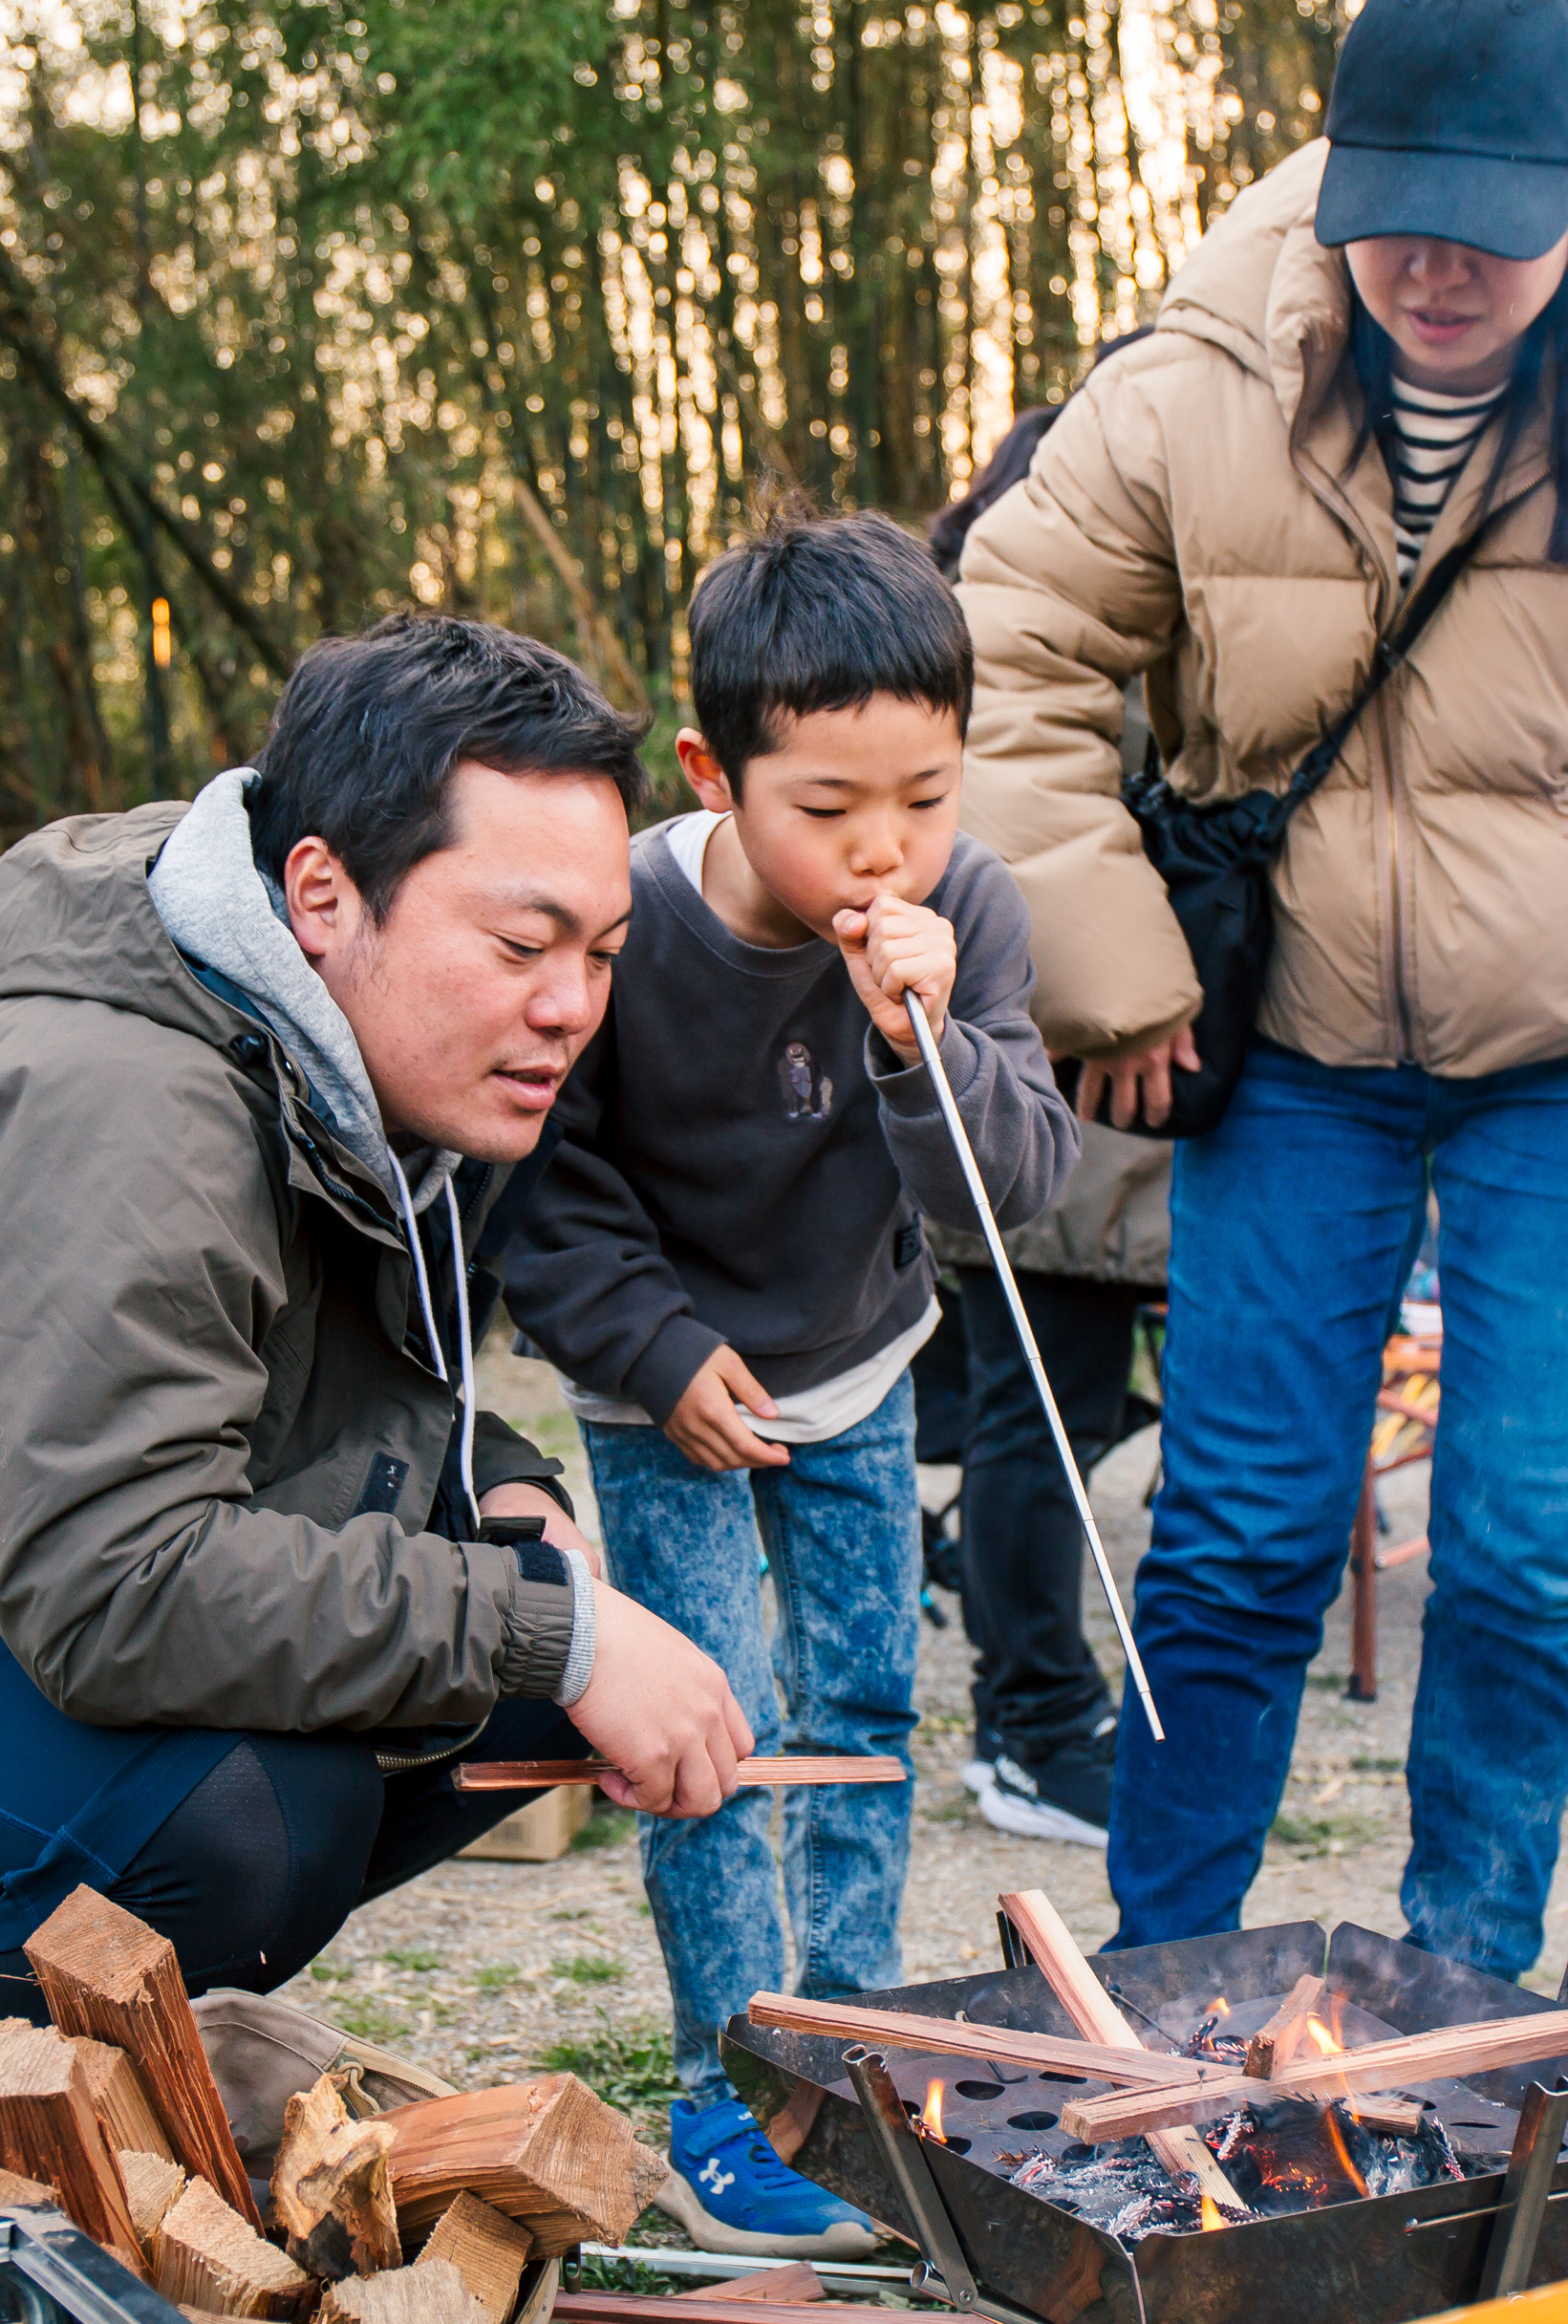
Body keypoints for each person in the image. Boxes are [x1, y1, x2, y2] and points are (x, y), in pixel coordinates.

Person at [0, 615, 755, 2244]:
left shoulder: (352, 1057)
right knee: (260, 1811)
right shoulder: (121, 1108)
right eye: (523, 943)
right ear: (322, 893)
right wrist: (556, 1625)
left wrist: (508, 1506)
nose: (568, 1008)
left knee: (489, 1720)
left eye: (601, 953)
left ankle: (86, 2110)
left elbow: (346, 1398)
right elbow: (119, 1587)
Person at [956, 0, 1568, 1979]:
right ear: (1338, 179)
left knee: (1530, 1553)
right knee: (1236, 1538)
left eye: (1495, 226)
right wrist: (1113, 972)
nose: (1437, 269)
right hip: (1287, 1055)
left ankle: (1468, 1966)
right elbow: (999, 660)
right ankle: (1168, 1968)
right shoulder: (1190, 385)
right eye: (1400, 219)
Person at [507, 506, 1078, 2256]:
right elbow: (545, 1181)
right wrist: (656, 1350)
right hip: (663, 1378)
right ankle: (730, 2079)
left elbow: (1015, 1177)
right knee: (703, 1729)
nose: (881, 848)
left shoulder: (965, 910)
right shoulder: (629, 929)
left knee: (864, 1708)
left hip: (862, 1358)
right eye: (827, 810)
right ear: (712, 770)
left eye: (923, 794)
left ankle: (849, 2041)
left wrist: (923, 1040)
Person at [917, 400, 1171, 1849]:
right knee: (1042, 1419)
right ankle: (1030, 1722)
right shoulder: (1006, 646)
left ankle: (1056, 1698)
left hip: (1121, 1119)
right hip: (1054, 1093)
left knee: (1062, 1416)